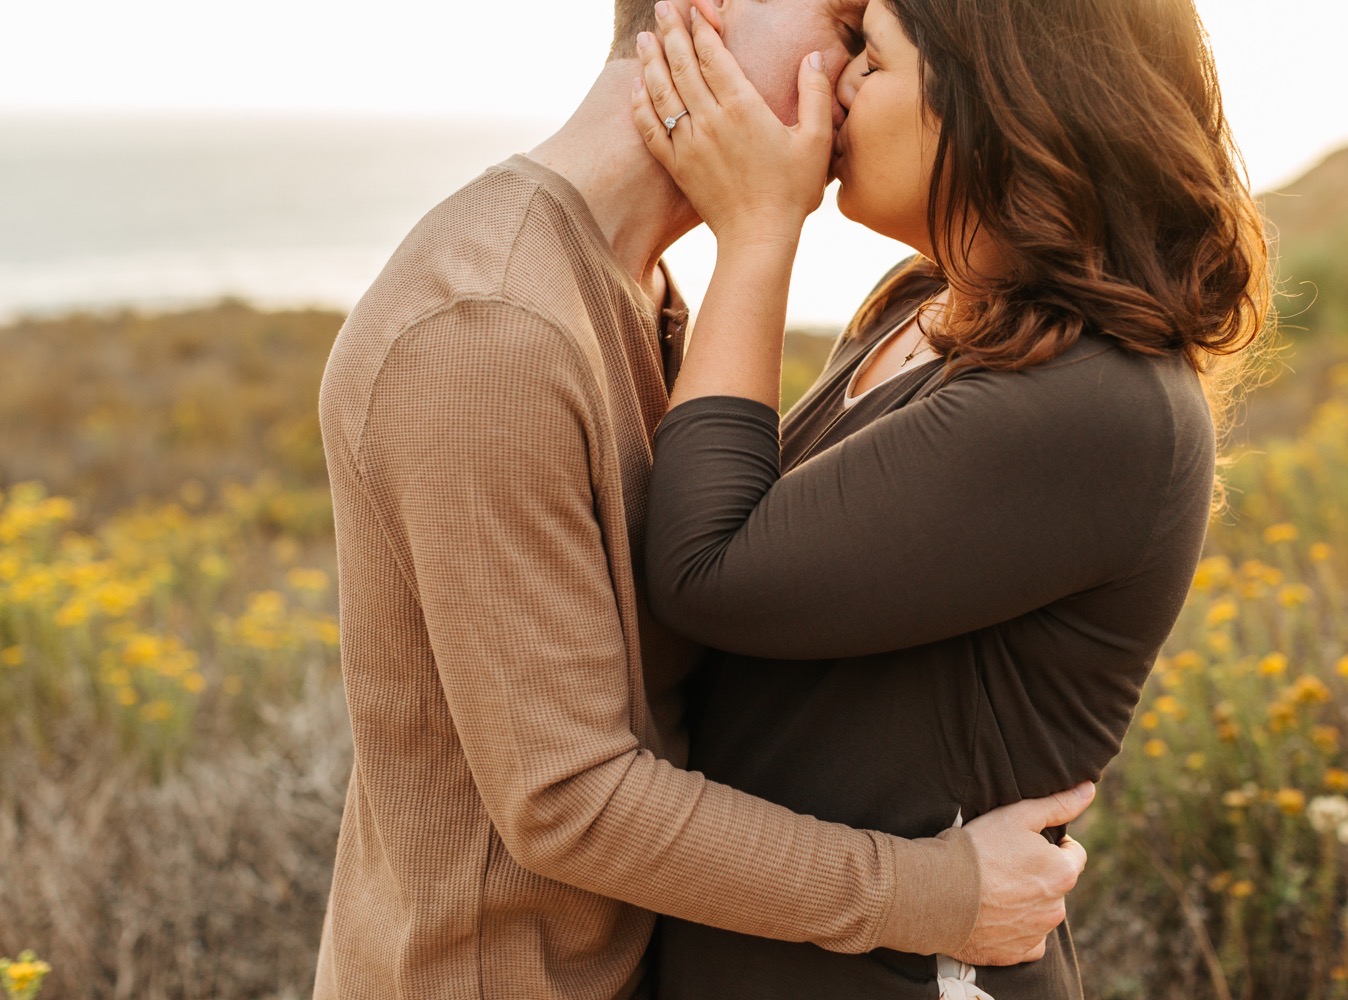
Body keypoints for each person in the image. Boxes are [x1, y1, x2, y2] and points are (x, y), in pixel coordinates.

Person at [310, 0, 1099, 996]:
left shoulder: (635, 287)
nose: (861, 74)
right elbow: (568, 800)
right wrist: (936, 893)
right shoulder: (491, 328)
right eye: (849, 26)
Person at [628, 0, 1270, 996]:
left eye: (870, 60)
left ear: (999, 103)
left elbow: (708, 571)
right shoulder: (920, 309)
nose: (834, 80)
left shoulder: (1100, 403)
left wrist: (755, 232)